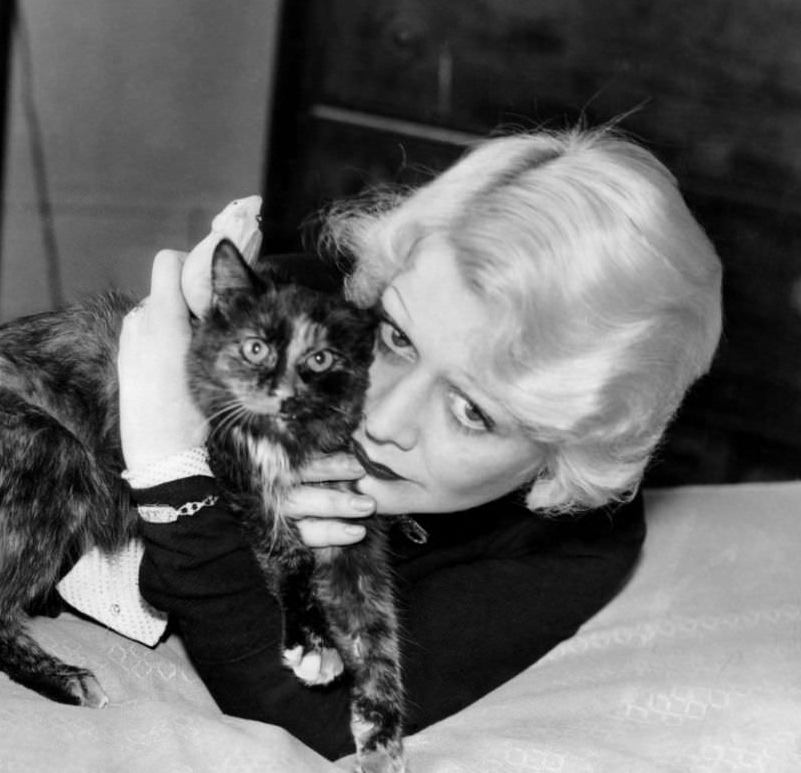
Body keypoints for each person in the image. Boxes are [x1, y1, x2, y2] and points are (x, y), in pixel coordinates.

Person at [114, 127, 723, 760]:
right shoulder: (299, 310)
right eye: (397, 338)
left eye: (472, 411)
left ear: (568, 456)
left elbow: (318, 718)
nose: (385, 420)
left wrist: (173, 476)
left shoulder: (572, 546)